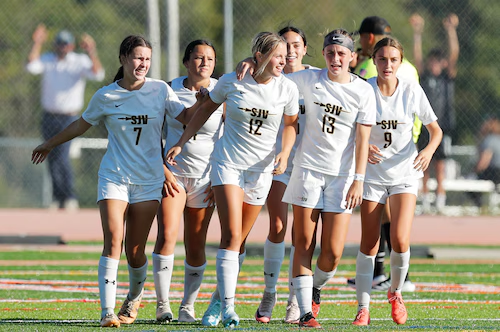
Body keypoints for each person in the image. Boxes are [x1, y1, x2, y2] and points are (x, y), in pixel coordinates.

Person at [31, 35, 207, 328]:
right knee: (113, 240)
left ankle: (134, 296)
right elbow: (80, 124)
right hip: (114, 176)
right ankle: (107, 312)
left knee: (135, 252)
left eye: (147, 59)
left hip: (149, 180)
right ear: (124, 58)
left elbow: (187, 117)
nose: (143, 64)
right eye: (138, 57)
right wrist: (49, 144)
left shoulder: (160, 90)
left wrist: (203, 103)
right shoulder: (105, 96)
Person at [166, 32, 299, 328]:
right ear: (260, 56)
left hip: (261, 171)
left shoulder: (286, 89)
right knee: (230, 236)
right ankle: (229, 308)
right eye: (278, 55)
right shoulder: (232, 80)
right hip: (228, 165)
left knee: (239, 241)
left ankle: (215, 301)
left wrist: (286, 153)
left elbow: (291, 125)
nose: (284, 60)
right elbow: (203, 112)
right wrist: (182, 141)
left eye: (285, 55)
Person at [280, 29, 375, 328]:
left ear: (352, 57)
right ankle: (304, 311)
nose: (336, 58)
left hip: (343, 178)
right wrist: (247, 61)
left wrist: (359, 179)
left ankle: (315, 287)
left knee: (332, 254)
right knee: (303, 242)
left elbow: (363, 139)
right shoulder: (307, 80)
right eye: (331, 52)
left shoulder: (363, 91)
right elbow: (270, 76)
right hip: (307, 170)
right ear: (323, 54)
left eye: (342, 53)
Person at [352, 37, 442, 326]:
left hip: (405, 173)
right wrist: (363, 147)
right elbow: (350, 131)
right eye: (382, 59)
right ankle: (363, 308)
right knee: (370, 243)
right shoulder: (364, 90)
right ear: (374, 61)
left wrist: (428, 151)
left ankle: (395, 292)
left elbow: (435, 131)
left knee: (400, 239)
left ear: (400, 62)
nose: (387, 64)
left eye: (393, 59)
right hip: (373, 177)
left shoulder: (412, 91)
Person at [152, 39, 224, 323]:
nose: (204, 62)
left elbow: (229, 137)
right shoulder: (169, 89)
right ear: (186, 61)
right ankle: (163, 305)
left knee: (196, 244)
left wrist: (220, 180)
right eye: (198, 57)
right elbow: (152, 135)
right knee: (167, 234)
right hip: (174, 175)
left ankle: (187, 306)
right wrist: (163, 170)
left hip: (206, 178)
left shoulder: (223, 90)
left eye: (209, 58)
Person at [348, 15, 420, 293]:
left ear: (369, 37)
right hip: (404, 144)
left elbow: (359, 104)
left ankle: (388, 274)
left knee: (385, 217)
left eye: (362, 37)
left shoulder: (369, 65)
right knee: (386, 217)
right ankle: (385, 273)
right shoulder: (409, 66)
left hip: (383, 149)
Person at [26, 24, 105, 210]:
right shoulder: (47, 59)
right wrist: (37, 42)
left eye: (66, 44)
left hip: (69, 118)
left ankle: (69, 196)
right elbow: (31, 66)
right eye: (60, 43)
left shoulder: (79, 61)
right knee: (49, 155)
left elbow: (98, 74)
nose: (63, 47)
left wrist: (92, 51)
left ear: (71, 46)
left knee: (61, 156)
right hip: (49, 116)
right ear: (55, 45)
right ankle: (57, 197)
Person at [411, 13, 460, 213]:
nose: (434, 64)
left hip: (443, 125)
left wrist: (451, 30)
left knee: (440, 164)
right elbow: (418, 56)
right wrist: (417, 32)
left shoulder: (447, 77)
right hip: (424, 126)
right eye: (432, 61)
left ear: (444, 63)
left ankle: (440, 199)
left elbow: (454, 52)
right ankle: (425, 200)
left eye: (438, 61)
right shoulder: (424, 76)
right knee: (424, 162)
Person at [470, 116, 500, 206]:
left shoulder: (489, 140)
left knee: (471, 181)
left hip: (495, 172)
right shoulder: (498, 139)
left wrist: (474, 171)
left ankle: (480, 205)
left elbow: (484, 163)